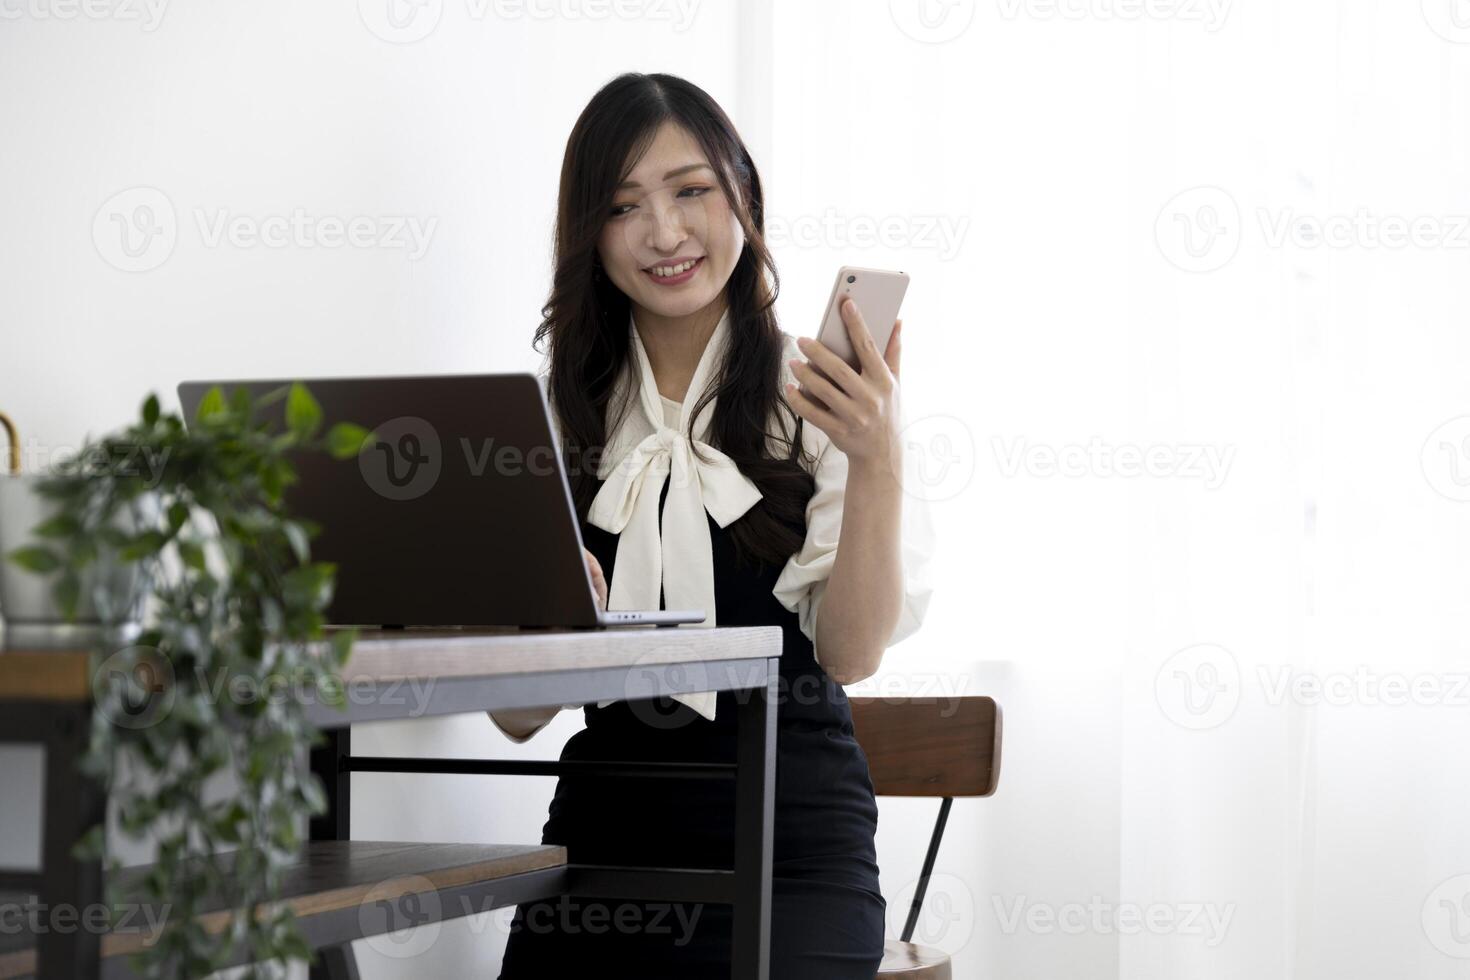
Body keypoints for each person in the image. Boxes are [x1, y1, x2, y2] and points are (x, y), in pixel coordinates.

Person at [492, 71, 933, 979]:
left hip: (793, 845)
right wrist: (554, 617)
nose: (664, 234)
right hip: (604, 838)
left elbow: (849, 655)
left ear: (742, 191)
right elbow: (514, 714)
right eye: (623, 207)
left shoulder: (821, 397)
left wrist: (878, 459)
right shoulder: (554, 416)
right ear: (589, 235)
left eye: (691, 191)